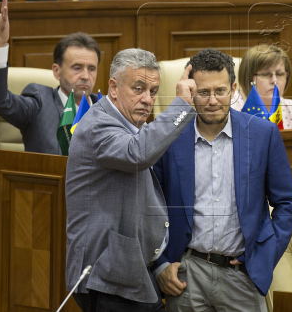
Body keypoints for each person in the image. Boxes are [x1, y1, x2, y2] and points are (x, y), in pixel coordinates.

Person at [152, 48, 292, 312]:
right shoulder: (169, 137)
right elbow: (150, 205)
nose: (212, 101)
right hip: (186, 273)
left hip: (242, 275)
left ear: (233, 89)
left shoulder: (263, 134)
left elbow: (287, 203)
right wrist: (160, 263)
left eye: (220, 91)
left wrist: (263, 257)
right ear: (190, 91)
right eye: (203, 92)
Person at [65, 48, 197, 312]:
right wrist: (182, 105)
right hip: (107, 276)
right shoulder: (97, 125)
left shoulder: (131, 126)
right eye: (138, 88)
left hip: (128, 272)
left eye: (153, 91)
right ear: (113, 88)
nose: (147, 99)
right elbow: (137, 153)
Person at [0, 0, 101, 155]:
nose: (86, 76)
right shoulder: (40, 102)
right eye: (77, 68)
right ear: (56, 71)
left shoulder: (105, 108)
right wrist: (1, 45)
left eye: (91, 69)